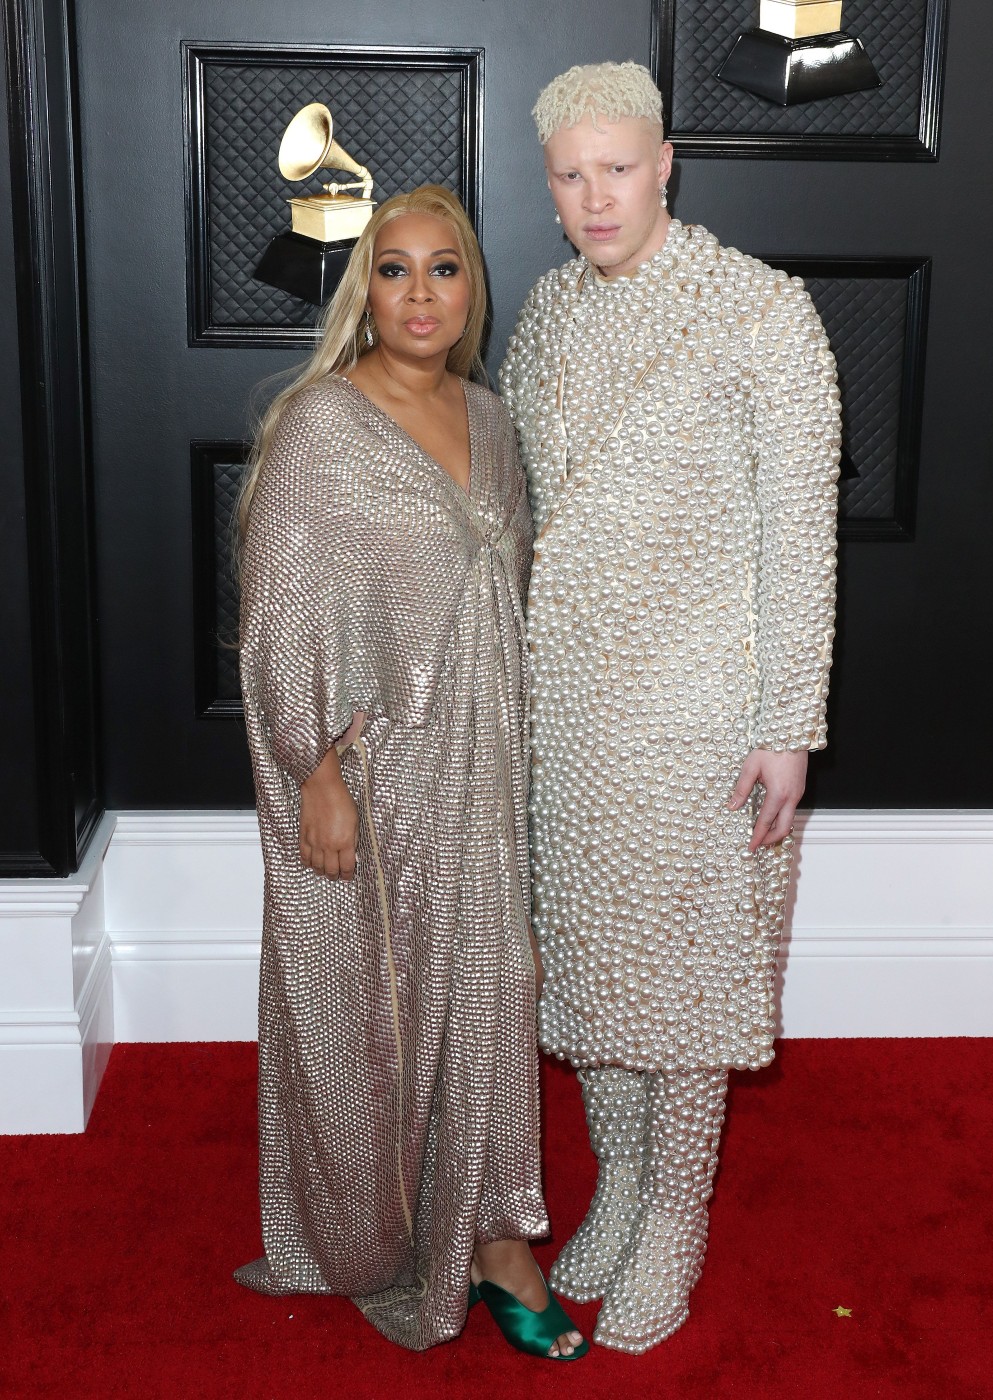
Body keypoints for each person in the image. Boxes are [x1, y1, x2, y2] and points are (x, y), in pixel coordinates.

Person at [500, 63, 840, 1353]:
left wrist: (785, 722)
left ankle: (676, 1214)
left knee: (686, 985)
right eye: (570, 175)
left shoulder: (761, 313)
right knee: (587, 970)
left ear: (668, 160)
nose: (595, 198)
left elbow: (799, 539)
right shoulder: (541, 313)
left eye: (618, 168)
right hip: (567, 707)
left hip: (705, 712)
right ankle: (623, 1177)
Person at [235, 185, 586, 1360]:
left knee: (491, 994)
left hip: (486, 772)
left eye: (445, 269)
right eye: (394, 270)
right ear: (363, 289)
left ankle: (493, 1235)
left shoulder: (492, 419)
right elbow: (281, 617)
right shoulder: (323, 423)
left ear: (470, 286)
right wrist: (313, 770)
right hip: (377, 780)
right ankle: (382, 1230)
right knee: (376, 1007)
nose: (421, 293)